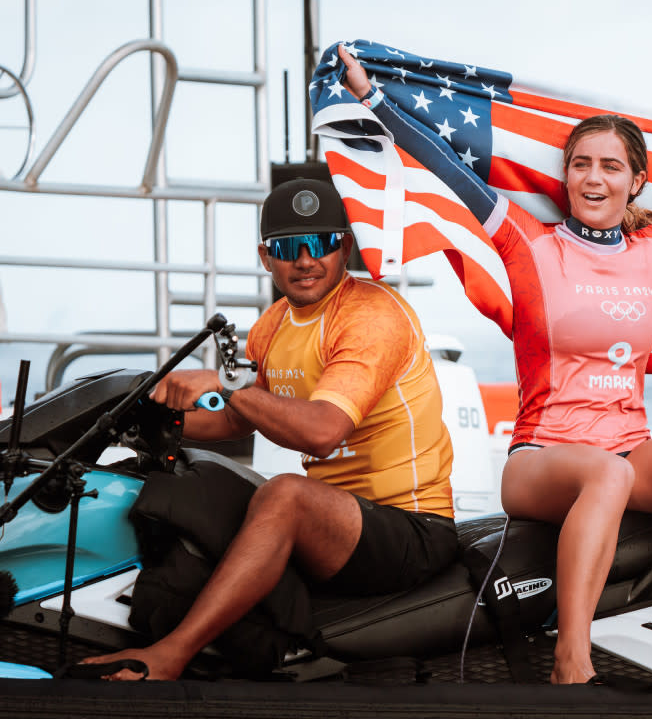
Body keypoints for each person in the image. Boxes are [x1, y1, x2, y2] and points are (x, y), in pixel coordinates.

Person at [337, 46, 652, 684]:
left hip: (628, 450)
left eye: (610, 167)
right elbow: (443, 165)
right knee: (606, 477)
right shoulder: (526, 240)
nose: (594, 179)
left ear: (636, 182)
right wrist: (375, 99)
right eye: (581, 165)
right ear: (565, 175)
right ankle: (573, 655)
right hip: (541, 457)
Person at [83, 178, 458, 680]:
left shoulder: (371, 316)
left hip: (413, 528)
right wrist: (141, 420)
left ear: (344, 246)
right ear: (266, 257)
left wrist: (223, 384)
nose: (306, 260)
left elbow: (322, 430)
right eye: (287, 248)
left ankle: (172, 654)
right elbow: (240, 416)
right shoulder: (274, 324)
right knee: (199, 488)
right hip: (341, 526)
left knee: (286, 495)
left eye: (321, 243)